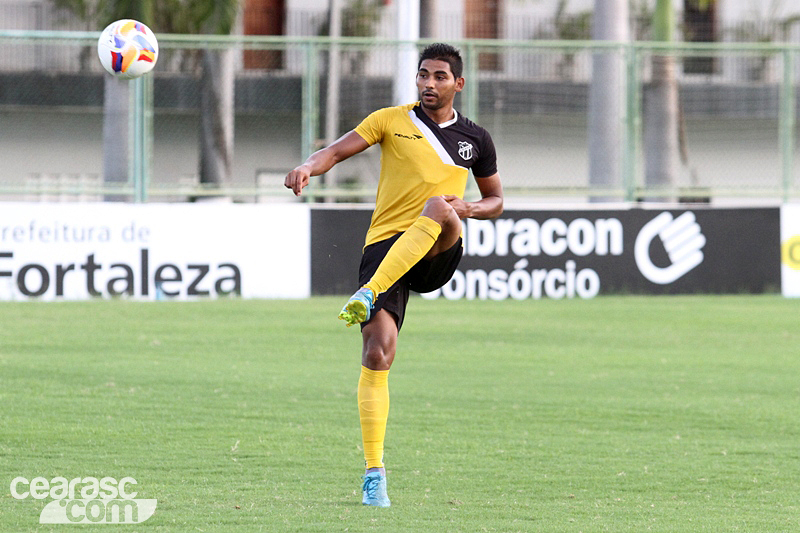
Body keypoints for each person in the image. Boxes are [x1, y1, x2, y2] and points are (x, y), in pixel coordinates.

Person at [285, 42, 503, 507]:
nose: (428, 83)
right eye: (423, 74)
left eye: (440, 76)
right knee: (378, 354)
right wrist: (308, 165)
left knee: (441, 206)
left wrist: (470, 207)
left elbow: (496, 201)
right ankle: (374, 473)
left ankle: (368, 293)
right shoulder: (389, 120)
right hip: (385, 248)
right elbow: (337, 151)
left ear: (458, 84)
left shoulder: (476, 139)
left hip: (440, 243)